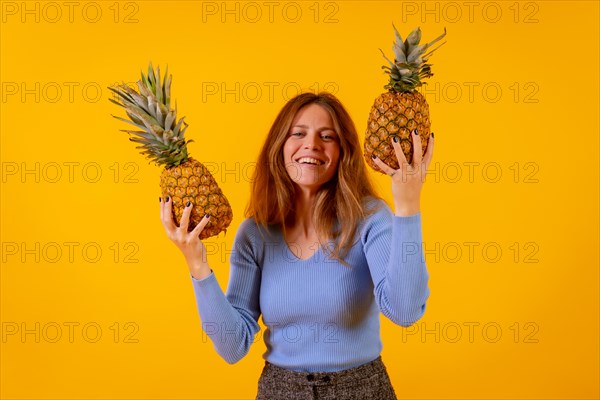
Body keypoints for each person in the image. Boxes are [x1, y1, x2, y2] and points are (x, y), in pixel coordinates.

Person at [159, 92, 433, 399]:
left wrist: (408, 206)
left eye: (327, 136)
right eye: (298, 133)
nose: (311, 145)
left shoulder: (369, 218)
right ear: (279, 147)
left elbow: (405, 310)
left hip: (362, 390)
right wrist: (196, 262)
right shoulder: (255, 234)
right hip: (280, 391)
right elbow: (233, 346)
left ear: (343, 151)